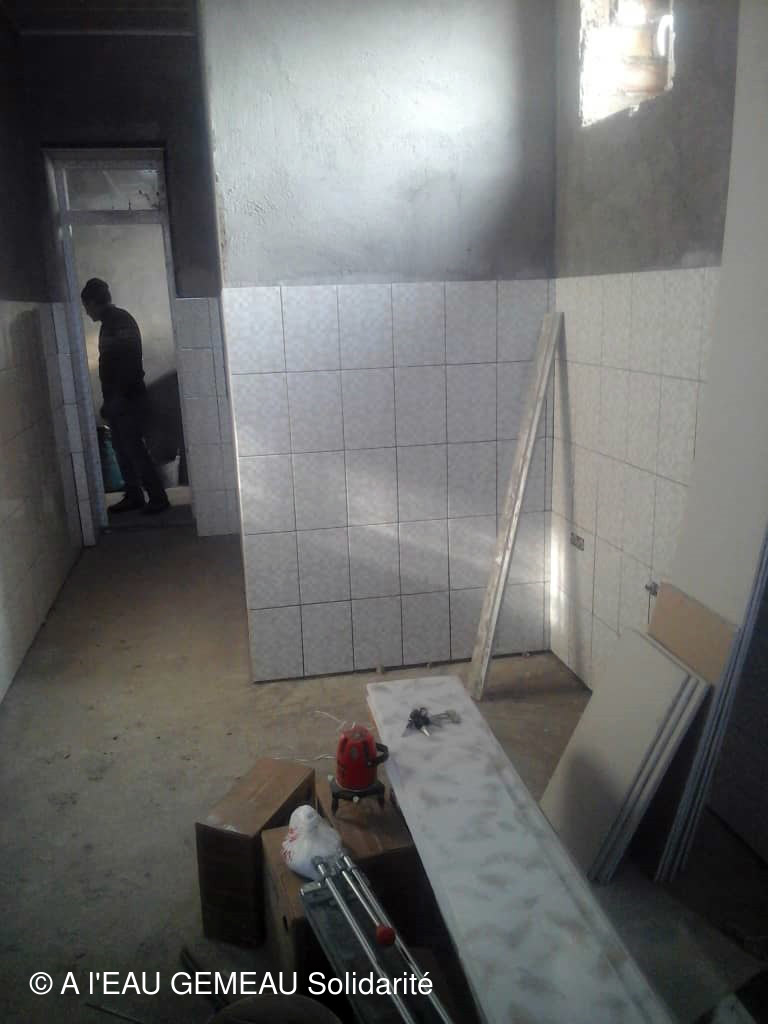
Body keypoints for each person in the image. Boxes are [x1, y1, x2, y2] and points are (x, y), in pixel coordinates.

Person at [81, 278, 170, 515]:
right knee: (123, 449)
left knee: (134, 450)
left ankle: (158, 498)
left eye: (86, 306)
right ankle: (134, 495)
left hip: (128, 399)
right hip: (119, 399)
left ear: (93, 302)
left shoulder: (119, 322)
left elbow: (129, 364)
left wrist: (119, 398)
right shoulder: (111, 323)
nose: (86, 312)